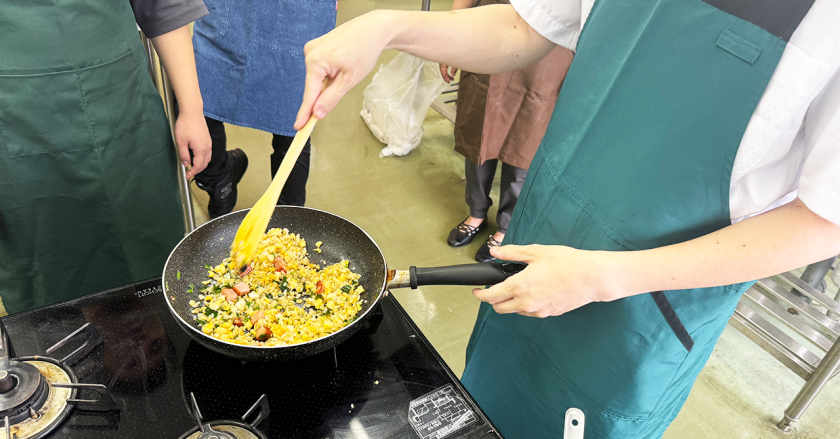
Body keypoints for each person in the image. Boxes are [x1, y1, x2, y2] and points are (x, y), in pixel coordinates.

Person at [293, 1, 840, 438]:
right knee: (483, 406)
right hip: (541, 242)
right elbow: (525, 27)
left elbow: (825, 220)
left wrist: (606, 276)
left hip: (646, 302)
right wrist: (387, 26)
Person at [0, 0, 212, 313]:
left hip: (121, 105)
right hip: (15, 123)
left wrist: (192, 109)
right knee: (46, 265)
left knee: (148, 258)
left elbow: (162, 6)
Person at [441, 0, 573, 262]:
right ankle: (476, 212)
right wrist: (449, 38)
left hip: (549, 44)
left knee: (525, 140)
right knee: (479, 132)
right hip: (491, 32)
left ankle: (506, 227)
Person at [191, 0, 338, 217]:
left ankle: (288, 220)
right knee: (198, 107)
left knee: (292, 127)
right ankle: (220, 183)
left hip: (298, 16)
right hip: (228, 13)